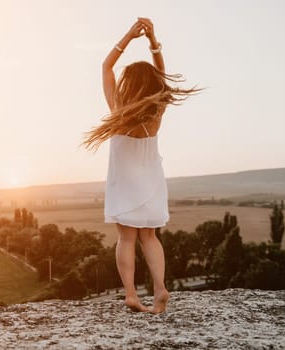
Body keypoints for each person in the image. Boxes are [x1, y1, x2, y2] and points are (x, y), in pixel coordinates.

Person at [82, 17, 202, 314]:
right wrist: (153, 42)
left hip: (125, 182)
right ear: (153, 85)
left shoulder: (119, 110)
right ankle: (160, 288)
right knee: (150, 236)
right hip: (152, 181)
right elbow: (161, 72)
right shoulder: (157, 110)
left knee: (126, 237)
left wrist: (128, 36)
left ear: (129, 84)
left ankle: (132, 295)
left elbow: (105, 67)